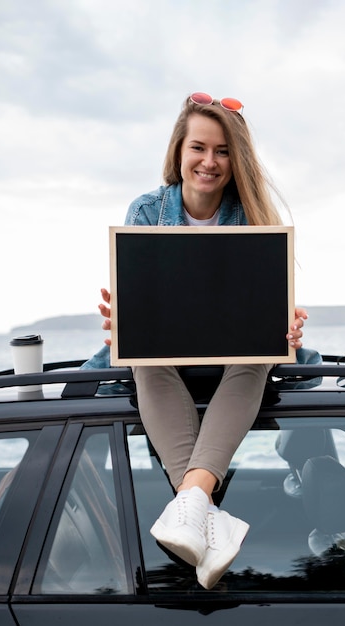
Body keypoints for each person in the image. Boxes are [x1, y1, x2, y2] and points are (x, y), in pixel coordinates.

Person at [83, 92, 308, 589]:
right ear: (179, 152)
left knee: (257, 357)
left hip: (232, 359)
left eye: (223, 151)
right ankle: (207, 513)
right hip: (165, 357)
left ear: (237, 159)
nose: (209, 161)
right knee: (145, 357)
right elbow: (142, 301)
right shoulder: (146, 209)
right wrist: (124, 318)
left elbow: (265, 304)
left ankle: (192, 507)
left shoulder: (250, 214)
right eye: (199, 148)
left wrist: (285, 322)